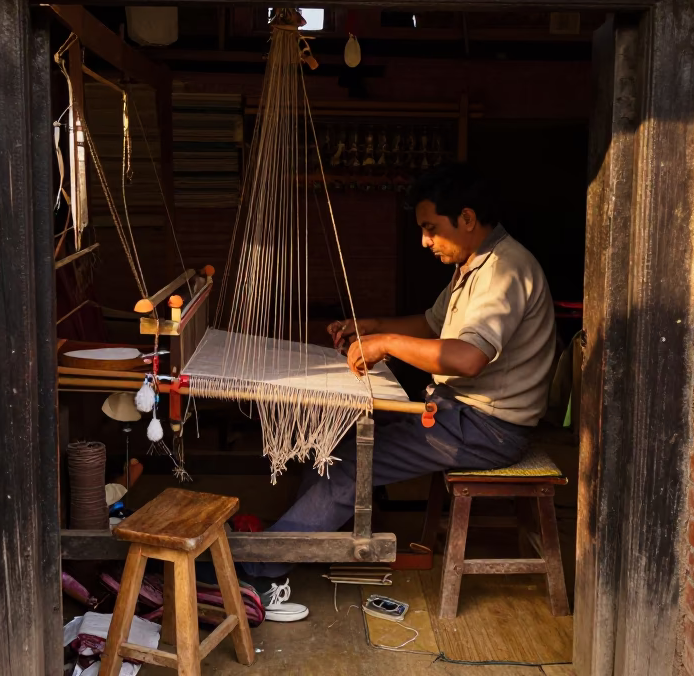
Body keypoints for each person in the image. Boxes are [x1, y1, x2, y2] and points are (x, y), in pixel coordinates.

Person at [237, 163, 558, 618]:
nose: (425, 241)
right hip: (458, 412)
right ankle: (294, 536)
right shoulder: (475, 263)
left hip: (487, 428)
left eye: (431, 229)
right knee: (339, 438)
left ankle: (255, 566)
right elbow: (432, 324)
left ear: (466, 219)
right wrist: (374, 326)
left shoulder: (504, 271)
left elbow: (467, 357)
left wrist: (386, 344)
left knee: (352, 465)